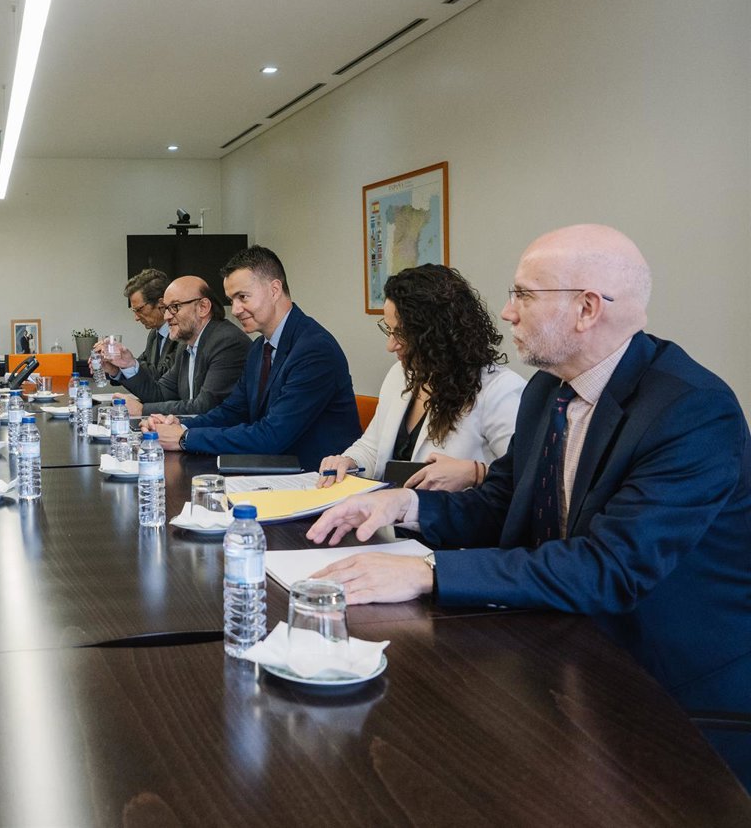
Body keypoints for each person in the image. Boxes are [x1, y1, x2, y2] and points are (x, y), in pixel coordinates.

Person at [306, 224, 751, 788]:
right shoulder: (547, 390)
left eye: (523, 294)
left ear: (587, 309)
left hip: (666, 690)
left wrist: (428, 573)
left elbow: (608, 567)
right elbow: (502, 501)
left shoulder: (691, 410)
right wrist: (404, 505)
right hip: (558, 648)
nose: (507, 312)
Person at [149, 246, 361, 470]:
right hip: (273, 469)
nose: (235, 309)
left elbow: (272, 435)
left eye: (243, 297)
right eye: (232, 299)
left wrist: (185, 438)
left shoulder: (314, 349)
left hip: (316, 477)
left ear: (274, 290)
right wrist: (181, 425)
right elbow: (233, 411)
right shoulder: (260, 347)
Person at [317, 264, 525, 490]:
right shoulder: (400, 374)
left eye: (401, 334)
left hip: (448, 511)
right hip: (388, 507)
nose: (390, 345)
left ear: (437, 335)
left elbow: (523, 476)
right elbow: (372, 447)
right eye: (389, 330)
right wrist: (349, 461)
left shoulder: (500, 390)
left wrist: (476, 473)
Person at [99, 275, 249, 417]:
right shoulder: (185, 346)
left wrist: (143, 410)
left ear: (203, 307)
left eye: (175, 307)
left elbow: (206, 407)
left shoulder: (226, 342)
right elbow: (160, 393)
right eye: (166, 308)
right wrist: (127, 365)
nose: (167, 316)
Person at [124, 268, 178, 378]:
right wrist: (113, 363)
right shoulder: (154, 334)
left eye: (139, 310)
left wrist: (126, 362)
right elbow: (141, 366)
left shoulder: (181, 333)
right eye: (134, 311)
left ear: (161, 304)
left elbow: (162, 376)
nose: (136, 318)